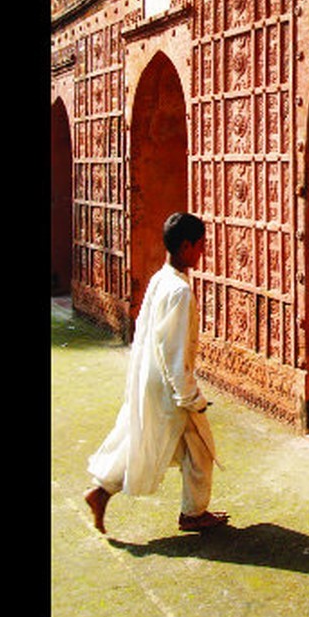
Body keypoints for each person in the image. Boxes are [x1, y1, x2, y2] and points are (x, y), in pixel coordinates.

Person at [83, 212, 229, 534]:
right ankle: (193, 515)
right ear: (186, 245)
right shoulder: (178, 291)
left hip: (153, 377)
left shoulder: (162, 278)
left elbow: (148, 332)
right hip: (169, 385)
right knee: (201, 448)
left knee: (143, 441)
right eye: (200, 245)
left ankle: (101, 492)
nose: (202, 252)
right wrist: (190, 396)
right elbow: (173, 349)